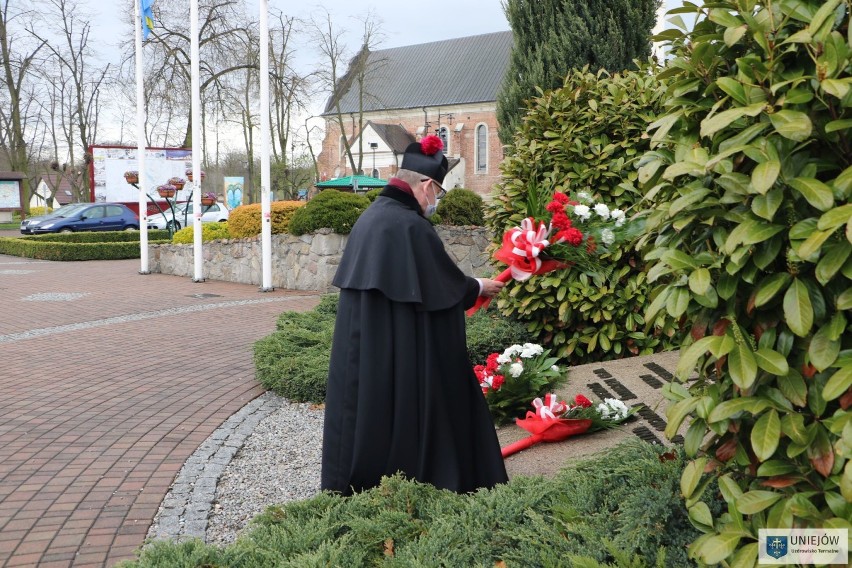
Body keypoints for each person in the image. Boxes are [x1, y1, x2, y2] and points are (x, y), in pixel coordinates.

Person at [321, 135, 508, 496]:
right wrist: (477, 287)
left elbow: (425, 283)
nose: (436, 200)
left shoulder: (372, 217)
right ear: (425, 185)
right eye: (438, 191)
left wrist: (466, 286)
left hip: (370, 352)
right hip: (401, 353)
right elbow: (440, 287)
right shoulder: (409, 226)